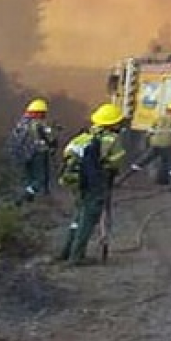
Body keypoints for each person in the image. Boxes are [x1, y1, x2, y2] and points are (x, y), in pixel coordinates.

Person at [57, 102, 127, 264]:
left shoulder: (83, 136)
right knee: (88, 218)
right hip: (95, 182)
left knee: (79, 215)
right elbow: (116, 162)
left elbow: (67, 154)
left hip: (74, 181)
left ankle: (65, 252)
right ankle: (76, 257)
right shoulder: (111, 139)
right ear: (113, 123)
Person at [7, 97, 59, 201]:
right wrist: (54, 131)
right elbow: (50, 137)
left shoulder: (21, 123)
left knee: (29, 177)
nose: (44, 116)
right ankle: (27, 195)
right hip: (38, 153)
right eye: (43, 113)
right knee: (40, 178)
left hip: (22, 154)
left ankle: (28, 198)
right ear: (38, 112)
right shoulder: (38, 123)